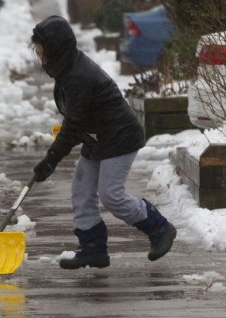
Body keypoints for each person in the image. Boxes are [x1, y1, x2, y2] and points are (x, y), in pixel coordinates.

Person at [30, 15, 176, 269]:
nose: (40, 58)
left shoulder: (78, 76)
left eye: (42, 52)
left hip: (120, 137)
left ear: (56, 50)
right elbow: (76, 122)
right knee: (82, 189)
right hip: (99, 138)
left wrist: (51, 160)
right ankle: (93, 247)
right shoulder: (67, 69)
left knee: (112, 195)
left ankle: (160, 228)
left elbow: (73, 124)